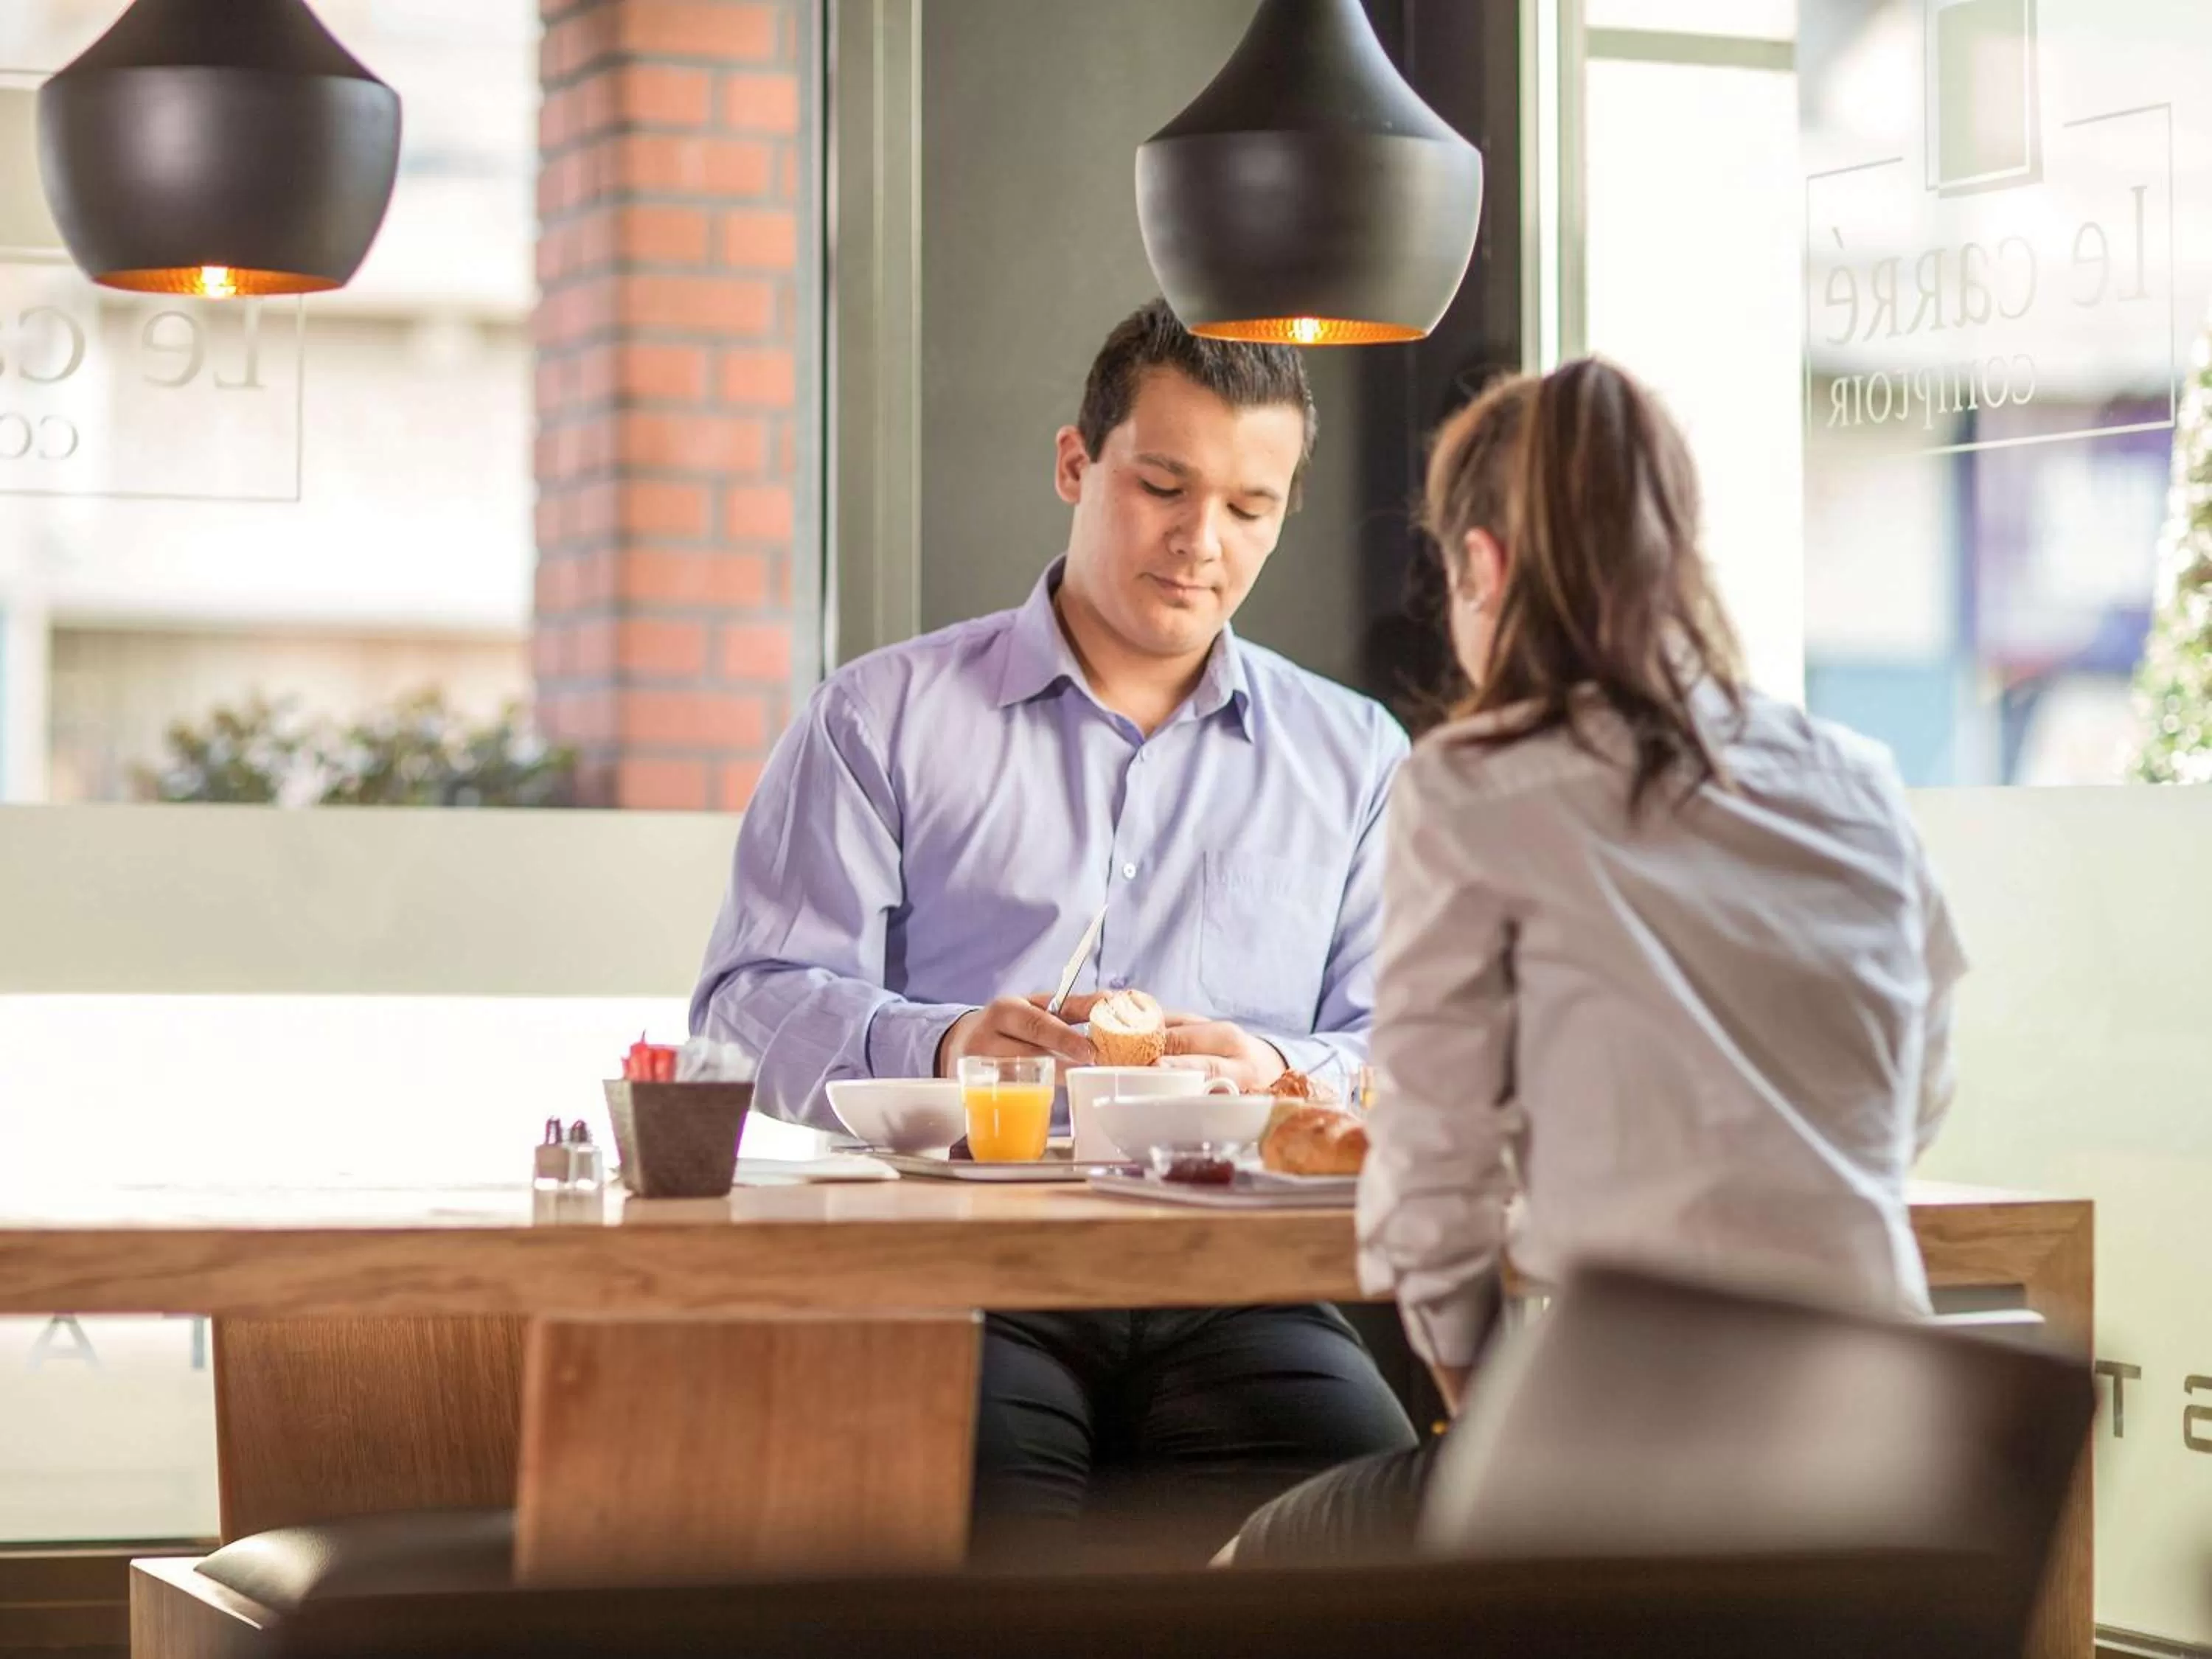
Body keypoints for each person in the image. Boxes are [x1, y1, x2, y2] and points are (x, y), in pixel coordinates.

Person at [692, 298, 1418, 1563]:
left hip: (1240, 1285)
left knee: (1384, 1559)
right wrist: (942, 1047)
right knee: (979, 1578)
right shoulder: (883, 717)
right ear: (1078, 464)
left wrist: (1282, 1072)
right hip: (959, 1280)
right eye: (1163, 485)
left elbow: (1412, 1047)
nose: (1202, 541)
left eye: (1250, 507)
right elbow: (744, 1003)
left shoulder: (1356, 759)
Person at [1230, 356, 1969, 1564]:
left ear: (1484, 567)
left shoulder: (1472, 786)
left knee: (1245, 1568)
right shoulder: (1853, 779)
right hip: (1889, 1455)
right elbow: (1915, 1092)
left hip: (1641, 1472)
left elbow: (1430, 1190)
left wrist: (1489, 1424)